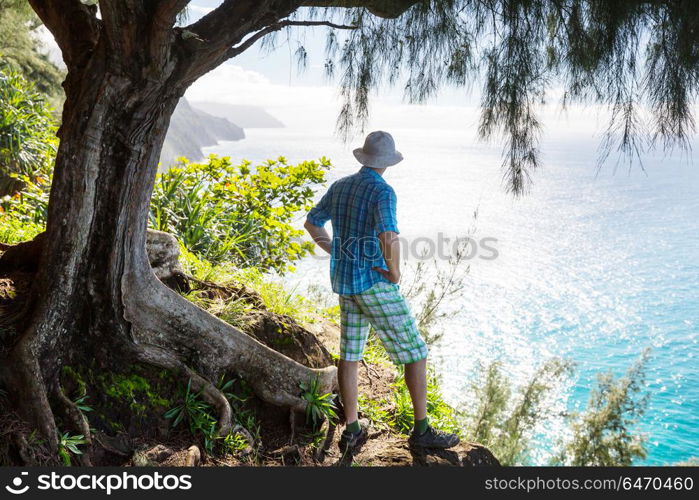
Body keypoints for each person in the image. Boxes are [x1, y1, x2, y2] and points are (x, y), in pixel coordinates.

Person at [304, 130, 460, 453]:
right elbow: (388, 235)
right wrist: (395, 271)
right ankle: (421, 432)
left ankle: (352, 429)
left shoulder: (340, 186)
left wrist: (334, 249)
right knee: (416, 352)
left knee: (350, 354)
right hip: (374, 284)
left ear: (364, 157)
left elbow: (312, 222)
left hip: (346, 284)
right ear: (387, 162)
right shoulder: (382, 192)